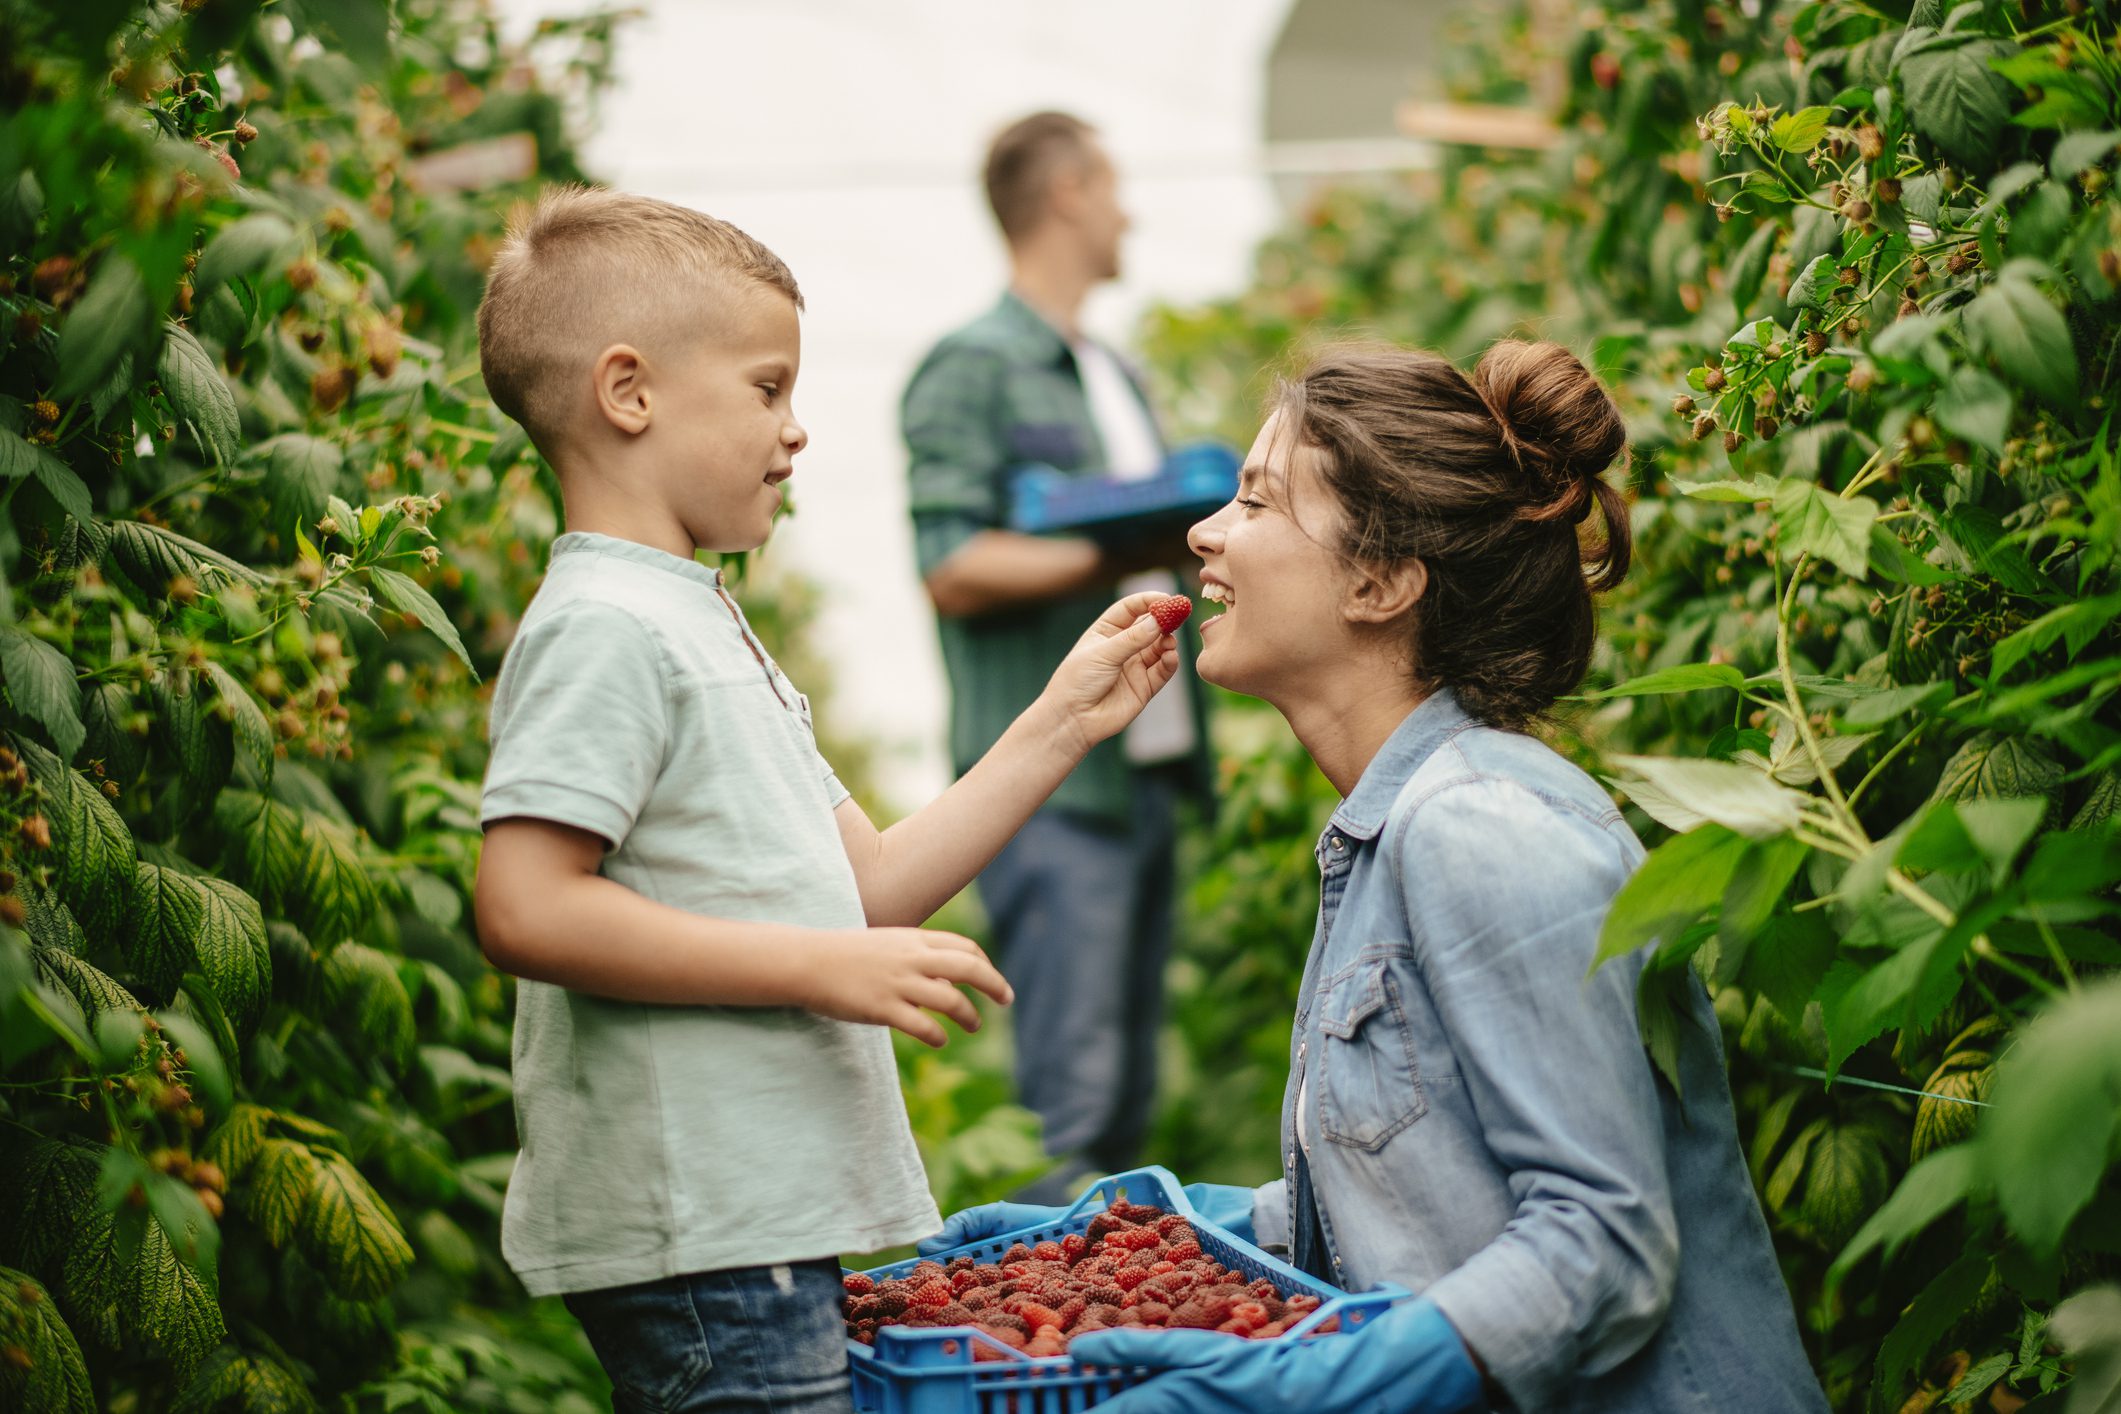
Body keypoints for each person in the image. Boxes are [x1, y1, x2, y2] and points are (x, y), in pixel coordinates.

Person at [928, 341, 1831, 1413]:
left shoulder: (1487, 828)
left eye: (1257, 505)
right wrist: (1125, 1232)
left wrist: (1318, 1383)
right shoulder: (1386, 836)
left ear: (1382, 579)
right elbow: (1399, 1196)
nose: (1203, 532)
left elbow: (1604, 1242)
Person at [470, 186, 1190, 1414]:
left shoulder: (699, 617)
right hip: (698, 1228)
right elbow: (528, 908)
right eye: (767, 389)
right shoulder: (604, 625)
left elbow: (864, 889)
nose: (795, 430)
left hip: (750, 1219)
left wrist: (1064, 718)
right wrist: (816, 968)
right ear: (628, 391)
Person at [902, 112, 1213, 1202]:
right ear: (1070, 194)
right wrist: (1118, 544)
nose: (1129, 210)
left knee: (1126, 1100)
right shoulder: (973, 367)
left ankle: (1119, 1342)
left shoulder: (1113, 371)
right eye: (1115, 184)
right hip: (1053, 790)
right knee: (1069, 1109)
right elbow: (950, 561)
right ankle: (1049, 1354)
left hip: (1146, 772)